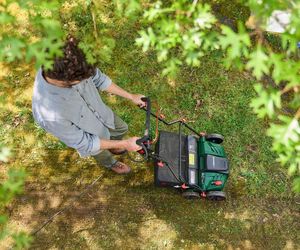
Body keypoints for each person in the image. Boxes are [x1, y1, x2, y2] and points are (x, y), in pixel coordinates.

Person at [32, 36, 145, 174]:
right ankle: (111, 163)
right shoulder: (51, 116)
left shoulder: (72, 62)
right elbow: (86, 143)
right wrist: (125, 144)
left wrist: (131, 96)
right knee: (101, 153)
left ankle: (114, 146)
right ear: (67, 81)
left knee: (122, 128)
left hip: (104, 115)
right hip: (93, 139)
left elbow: (99, 79)